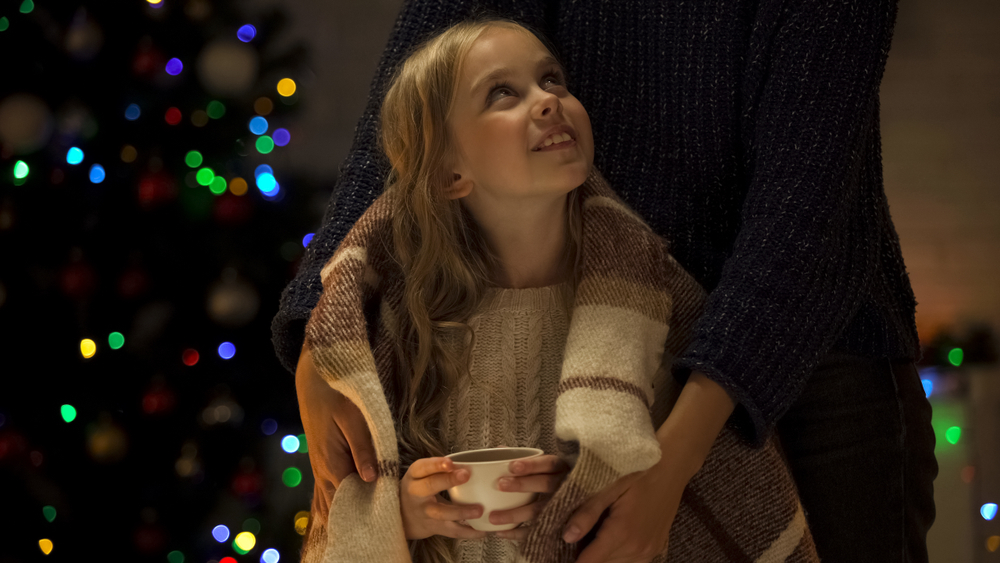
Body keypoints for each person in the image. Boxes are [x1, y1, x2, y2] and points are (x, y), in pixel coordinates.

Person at [276, 1, 937, 562]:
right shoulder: (459, 333)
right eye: (510, 92)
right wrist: (321, 331)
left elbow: (808, 211)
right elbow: (409, 119)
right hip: (590, 331)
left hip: (812, 362)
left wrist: (670, 461)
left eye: (552, 81)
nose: (547, 105)